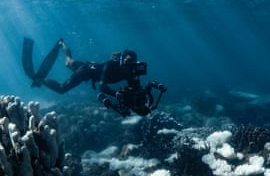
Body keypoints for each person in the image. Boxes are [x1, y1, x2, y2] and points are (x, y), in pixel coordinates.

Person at [22, 38, 167, 117]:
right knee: (62, 88)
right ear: (122, 60)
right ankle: (40, 78)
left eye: (132, 63)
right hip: (86, 71)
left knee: (70, 62)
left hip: (92, 67)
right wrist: (116, 94)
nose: (129, 67)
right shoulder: (111, 65)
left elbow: (136, 90)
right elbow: (102, 87)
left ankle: (62, 45)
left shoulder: (132, 71)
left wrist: (141, 103)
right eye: (127, 62)